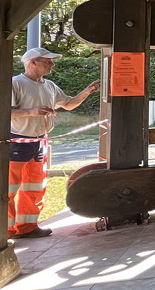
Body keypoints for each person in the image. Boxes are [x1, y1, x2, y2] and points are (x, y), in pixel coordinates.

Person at [8, 47, 99, 239]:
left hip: (39, 141)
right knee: (8, 189)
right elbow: (5, 112)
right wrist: (32, 112)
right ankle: (6, 231)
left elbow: (68, 104)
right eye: (48, 61)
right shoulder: (15, 83)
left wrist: (88, 91)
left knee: (35, 186)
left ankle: (27, 227)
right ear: (33, 62)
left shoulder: (49, 85)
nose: (52, 64)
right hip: (16, 142)